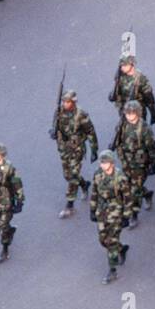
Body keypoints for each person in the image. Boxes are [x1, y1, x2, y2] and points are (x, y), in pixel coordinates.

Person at [53, 89, 98, 218]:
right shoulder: (59, 111)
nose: (65, 104)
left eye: (67, 102)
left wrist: (94, 150)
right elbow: (55, 126)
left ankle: (69, 205)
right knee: (68, 176)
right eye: (63, 101)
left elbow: (91, 132)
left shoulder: (81, 114)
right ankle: (84, 184)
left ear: (73, 102)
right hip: (63, 149)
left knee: (73, 176)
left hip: (76, 149)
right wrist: (53, 132)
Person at [92, 149, 133, 283]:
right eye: (101, 163)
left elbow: (127, 197)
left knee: (111, 241)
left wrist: (126, 216)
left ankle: (112, 270)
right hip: (102, 211)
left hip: (116, 212)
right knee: (103, 240)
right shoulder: (98, 175)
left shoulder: (120, 178)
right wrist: (92, 209)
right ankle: (121, 249)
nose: (103, 165)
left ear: (112, 163)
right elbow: (94, 192)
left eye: (105, 163)